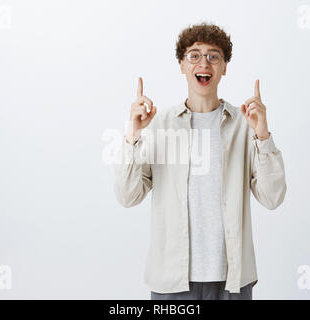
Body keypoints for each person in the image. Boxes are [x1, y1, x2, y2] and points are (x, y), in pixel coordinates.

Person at [113, 22, 287, 300]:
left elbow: (273, 197)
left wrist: (263, 134)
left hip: (233, 280)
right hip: (172, 281)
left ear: (224, 66)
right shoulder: (160, 125)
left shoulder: (245, 125)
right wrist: (133, 134)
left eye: (213, 55)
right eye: (194, 55)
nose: (203, 62)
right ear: (182, 65)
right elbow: (127, 196)